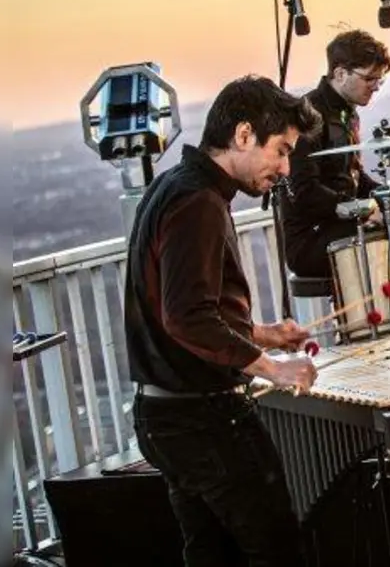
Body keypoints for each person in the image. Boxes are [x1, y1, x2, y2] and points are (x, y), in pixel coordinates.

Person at [125, 75, 323, 566]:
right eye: (280, 150)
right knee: (279, 550)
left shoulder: (175, 185)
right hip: (203, 417)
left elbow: (183, 309)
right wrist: (270, 367)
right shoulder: (198, 202)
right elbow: (187, 317)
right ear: (242, 135)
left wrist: (261, 333)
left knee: (213, 556)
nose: (284, 167)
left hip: (165, 416)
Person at [282, 29, 390, 280]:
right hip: (311, 241)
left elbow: (352, 177)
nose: (376, 86)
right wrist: (364, 210)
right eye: (370, 79)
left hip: (339, 227)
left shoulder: (348, 113)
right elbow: (304, 191)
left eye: (379, 80)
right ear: (340, 74)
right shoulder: (308, 116)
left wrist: (385, 198)